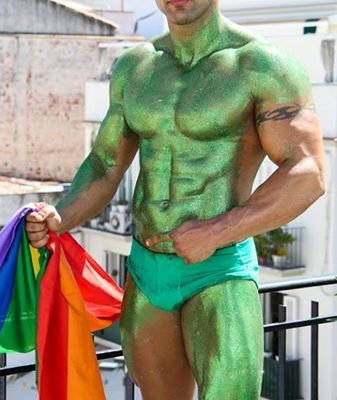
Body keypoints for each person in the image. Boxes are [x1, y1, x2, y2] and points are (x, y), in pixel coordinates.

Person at [25, 0, 325, 398]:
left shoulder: (260, 65)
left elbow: (308, 173)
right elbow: (104, 163)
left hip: (219, 269)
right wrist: (61, 216)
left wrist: (217, 232)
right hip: (147, 271)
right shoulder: (135, 67)